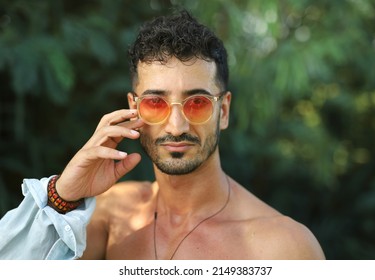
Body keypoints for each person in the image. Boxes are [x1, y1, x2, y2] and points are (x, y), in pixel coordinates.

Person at [0, 10, 325, 260]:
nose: (176, 126)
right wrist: (62, 195)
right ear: (134, 108)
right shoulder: (110, 217)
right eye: (156, 102)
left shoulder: (285, 247)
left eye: (197, 102)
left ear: (223, 111)